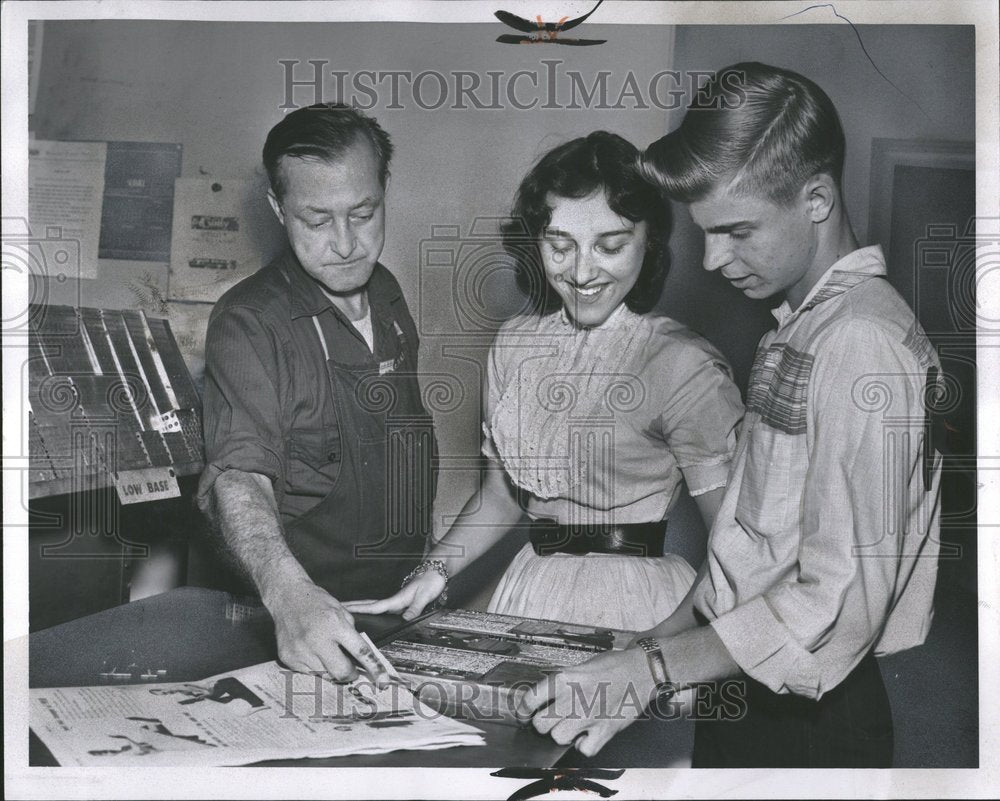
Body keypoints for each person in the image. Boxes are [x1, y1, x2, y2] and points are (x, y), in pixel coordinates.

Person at [515, 62, 942, 768]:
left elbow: (834, 601)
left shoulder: (860, 343)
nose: (713, 259)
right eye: (706, 232)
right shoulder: (798, 329)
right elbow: (754, 550)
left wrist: (652, 671)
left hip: (812, 717)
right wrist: (647, 646)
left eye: (737, 230)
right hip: (744, 681)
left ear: (816, 198)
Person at [346, 131, 744, 632]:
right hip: (530, 584)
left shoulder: (683, 365)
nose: (581, 271)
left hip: (640, 607)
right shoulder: (513, 345)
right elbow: (500, 497)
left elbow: (734, 550)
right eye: (560, 246)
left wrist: (649, 658)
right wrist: (433, 571)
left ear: (649, 241)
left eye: (611, 245)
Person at [197, 103, 437, 684]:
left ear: (384, 190)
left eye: (363, 212)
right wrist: (290, 596)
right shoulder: (248, 322)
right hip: (294, 621)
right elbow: (239, 476)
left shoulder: (387, 294)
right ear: (279, 210)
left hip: (397, 611)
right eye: (317, 220)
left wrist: (431, 568)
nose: (347, 243)